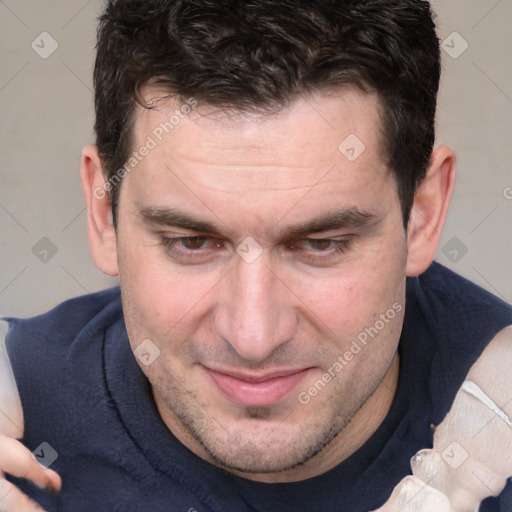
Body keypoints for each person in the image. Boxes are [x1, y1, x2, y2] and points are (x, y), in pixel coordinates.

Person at [1, 0, 511, 510]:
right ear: (104, 212)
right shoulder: (14, 425)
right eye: (192, 242)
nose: (253, 338)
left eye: (320, 243)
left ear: (421, 214)